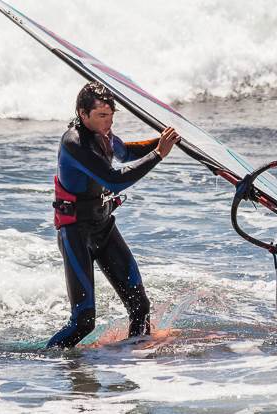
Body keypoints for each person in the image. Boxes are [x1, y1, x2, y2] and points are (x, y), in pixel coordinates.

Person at [47, 81, 180, 349]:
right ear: (83, 114)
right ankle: (45, 361)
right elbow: (114, 180)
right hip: (76, 232)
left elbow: (126, 152)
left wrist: (164, 140)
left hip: (103, 225)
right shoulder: (74, 143)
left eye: (111, 115)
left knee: (140, 307)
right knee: (83, 322)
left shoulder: (103, 135)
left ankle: (134, 360)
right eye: (101, 116)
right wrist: (158, 154)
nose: (108, 122)